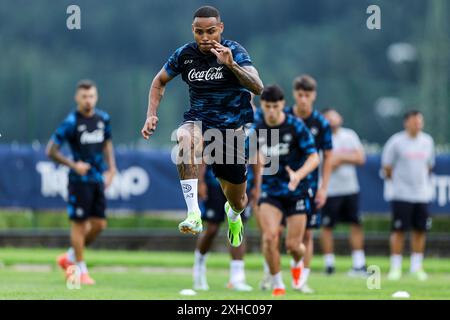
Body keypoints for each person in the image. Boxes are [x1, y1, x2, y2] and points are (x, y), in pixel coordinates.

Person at [141, 5, 263, 248]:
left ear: (221, 28)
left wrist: (231, 65)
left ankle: (234, 214)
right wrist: (151, 114)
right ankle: (193, 214)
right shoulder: (185, 55)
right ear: (193, 30)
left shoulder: (235, 52)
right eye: (199, 32)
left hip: (230, 132)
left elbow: (258, 87)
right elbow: (159, 82)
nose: (205, 38)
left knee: (238, 200)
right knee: (184, 136)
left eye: (210, 31)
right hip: (198, 121)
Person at [47, 80, 116, 285]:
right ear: (77, 98)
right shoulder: (71, 122)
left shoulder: (103, 118)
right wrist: (73, 164)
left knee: (99, 224)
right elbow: (51, 150)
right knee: (79, 226)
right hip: (78, 181)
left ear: (97, 97)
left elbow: (107, 144)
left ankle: (69, 257)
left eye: (92, 96)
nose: (88, 100)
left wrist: (112, 169)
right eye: (84, 96)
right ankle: (80, 270)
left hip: (97, 179)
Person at [252, 85, 319, 297]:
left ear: (282, 104)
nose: (271, 111)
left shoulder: (295, 125)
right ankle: (278, 283)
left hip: (296, 190)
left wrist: (299, 174)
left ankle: (297, 263)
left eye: (275, 106)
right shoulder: (256, 126)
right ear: (262, 106)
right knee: (270, 237)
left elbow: (314, 157)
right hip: (271, 190)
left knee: (293, 246)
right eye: (267, 107)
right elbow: (243, 155)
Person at [285, 75, 333, 293]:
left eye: (307, 95)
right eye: (300, 94)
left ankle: (301, 279)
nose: (303, 99)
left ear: (313, 96)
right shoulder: (283, 115)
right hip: (281, 183)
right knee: (275, 232)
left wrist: (323, 187)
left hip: (309, 185)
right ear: (295, 94)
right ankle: (271, 273)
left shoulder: (321, 123)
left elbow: (328, 156)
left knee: (307, 234)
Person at [382, 110, 434, 281]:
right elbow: (387, 167)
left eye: (420, 121)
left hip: (421, 194)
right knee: (399, 230)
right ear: (406, 123)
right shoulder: (396, 142)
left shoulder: (427, 141)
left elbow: (429, 166)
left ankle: (416, 267)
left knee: (420, 230)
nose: (417, 124)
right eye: (413, 121)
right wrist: (399, 183)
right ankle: (395, 267)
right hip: (401, 194)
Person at [192, 164, 257, 292]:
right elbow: (204, 153)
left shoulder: (250, 142)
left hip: (241, 182)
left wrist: (257, 186)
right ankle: (199, 267)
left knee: (238, 226)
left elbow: (257, 157)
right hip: (214, 182)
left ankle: (237, 277)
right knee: (212, 228)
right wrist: (200, 182)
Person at [320, 108, 367, 276]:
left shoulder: (350, 135)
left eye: (335, 115)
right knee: (327, 226)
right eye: (328, 117)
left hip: (350, 189)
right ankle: (329, 265)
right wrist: (332, 161)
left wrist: (339, 159)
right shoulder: (319, 137)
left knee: (356, 224)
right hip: (329, 190)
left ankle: (359, 264)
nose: (333, 119)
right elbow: (319, 161)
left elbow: (360, 158)